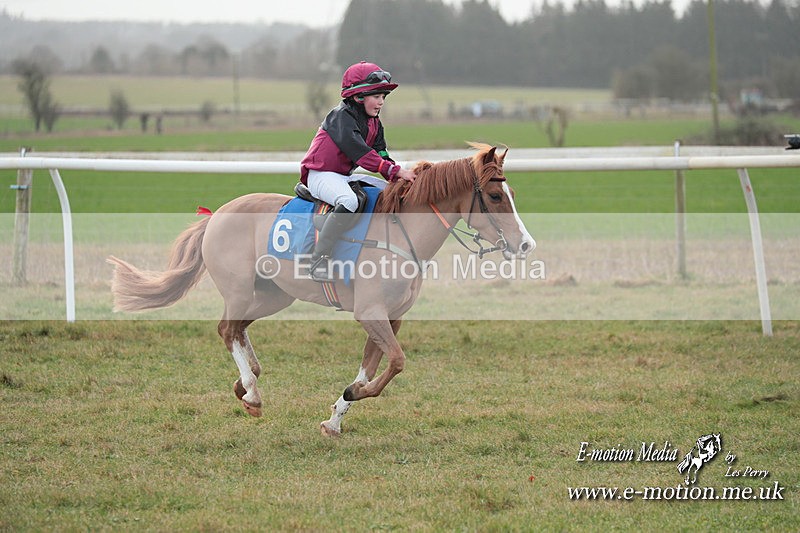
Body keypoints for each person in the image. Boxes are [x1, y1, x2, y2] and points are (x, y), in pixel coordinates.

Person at [300, 61, 416, 282]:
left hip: (343, 176)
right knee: (350, 201)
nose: (381, 102)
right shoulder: (341, 117)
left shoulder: (374, 122)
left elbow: (380, 152)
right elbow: (361, 153)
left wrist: (394, 176)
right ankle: (317, 260)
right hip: (320, 174)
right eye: (376, 96)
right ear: (358, 97)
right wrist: (397, 170)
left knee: (388, 191)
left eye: (383, 97)